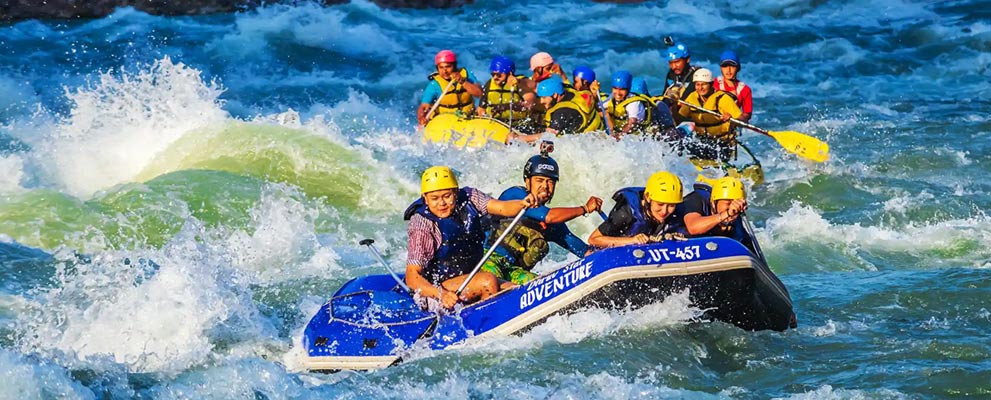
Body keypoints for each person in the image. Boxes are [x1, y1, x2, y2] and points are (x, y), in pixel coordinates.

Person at [404, 166, 537, 309]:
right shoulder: (422, 224)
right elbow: (412, 277)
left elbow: (501, 208)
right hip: (435, 291)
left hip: (468, 279)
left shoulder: (470, 197)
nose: (441, 203)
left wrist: (522, 203)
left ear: (455, 192)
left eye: (447, 196)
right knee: (487, 281)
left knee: (517, 291)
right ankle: (486, 321)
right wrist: (441, 294)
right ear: (425, 198)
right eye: (434, 198)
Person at [481, 149, 603, 284]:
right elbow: (548, 216)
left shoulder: (555, 226)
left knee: (534, 281)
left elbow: (585, 252)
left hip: (513, 270)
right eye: (539, 180)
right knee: (492, 280)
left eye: (550, 182)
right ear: (527, 182)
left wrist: (619, 245)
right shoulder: (515, 195)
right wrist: (584, 209)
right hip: (486, 259)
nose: (545, 186)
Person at [587, 171, 686, 249]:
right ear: (648, 198)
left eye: (671, 205)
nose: (664, 211)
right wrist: (632, 240)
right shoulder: (625, 213)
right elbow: (593, 239)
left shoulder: (677, 212)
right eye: (660, 204)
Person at [677, 68, 743, 162]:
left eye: (704, 84)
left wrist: (731, 118)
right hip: (702, 140)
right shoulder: (692, 98)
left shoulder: (723, 99)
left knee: (712, 151)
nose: (700, 88)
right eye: (697, 84)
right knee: (681, 147)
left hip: (722, 142)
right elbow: (679, 116)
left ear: (711, 84)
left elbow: (741, 118)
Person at [515, 76, 603, 142]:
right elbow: (535, 85)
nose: (541, 101)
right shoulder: (568, 89)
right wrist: (518, 80)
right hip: (599, 135)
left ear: (555, 95)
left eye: (544, 97)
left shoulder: (562, 113)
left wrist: (519, 138)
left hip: (586, 145)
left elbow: (549, 136)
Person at [416, 50, 483, 126]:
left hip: (468, 118)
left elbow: (479, 93)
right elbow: (424, 106)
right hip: (445, 123)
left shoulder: (467, 75)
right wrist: (421, 117)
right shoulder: (434, 84)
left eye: (448, 67)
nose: (445, 71)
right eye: (441, 67)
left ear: (455, 66)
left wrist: (463, 82)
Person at [679, 176, 750, 246]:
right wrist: (727, 214)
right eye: (728, 203)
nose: (732, 207)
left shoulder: (736, 214)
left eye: (736, 203)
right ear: (713, 203)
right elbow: (693, 228)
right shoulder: (695, 199)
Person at [477, 55, 537, 132]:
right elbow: (481, 109)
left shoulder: (520, 83)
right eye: (493, 74)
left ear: (510, 73)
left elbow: (529, 104)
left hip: (519, 126)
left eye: (499, 75)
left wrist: (506, 107)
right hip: (496, 125)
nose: (495, 77)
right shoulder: (489, 84)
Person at [604, 70, 654, 136]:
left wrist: (619, 136)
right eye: (615, 88)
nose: (618, 93)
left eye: (622, 89)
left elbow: (632, 123)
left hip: (637, 136)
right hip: (619, 131)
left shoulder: (634, 103)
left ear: (628, 89)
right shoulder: (612, 98)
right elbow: (599, 109)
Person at [661, 41, 700, 117]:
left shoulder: (696, 74)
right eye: (671, 63)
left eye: (677, 62)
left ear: (687, 59)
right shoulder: (671, 74)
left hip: (692, 113)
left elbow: (686, 97)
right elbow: (665, 95)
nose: (674, 66)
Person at [712, 50, 753, 122]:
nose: (728, 70)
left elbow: (747, 116)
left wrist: (734, 117)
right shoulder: (713, 83)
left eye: (732, 66)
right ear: (720, 68)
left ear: (738, 68)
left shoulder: (745, 90)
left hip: (731, 124)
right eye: (725, 66)